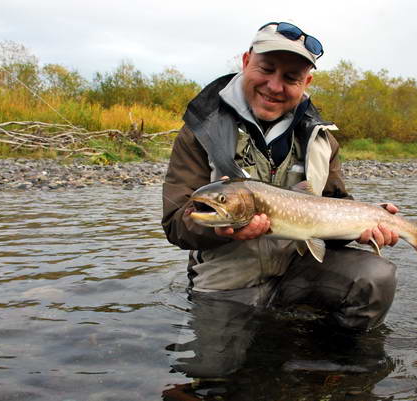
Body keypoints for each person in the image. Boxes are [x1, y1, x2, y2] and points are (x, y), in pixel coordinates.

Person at [162, 21, 399, 379]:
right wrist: (224, 231)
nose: (274, 85)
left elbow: (335, 208)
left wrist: (366, 227)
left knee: (375, 275)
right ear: (246, 61)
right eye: (266, 69)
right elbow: (177, 222)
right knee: (209, 374)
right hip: (228, 277)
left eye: (290, 77)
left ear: (306, 83)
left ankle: (333, 363)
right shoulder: (202, 128)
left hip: (300, 266)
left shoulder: (320, 139)